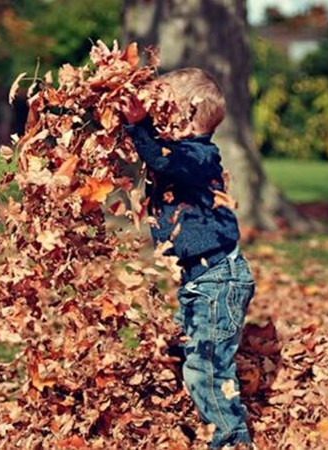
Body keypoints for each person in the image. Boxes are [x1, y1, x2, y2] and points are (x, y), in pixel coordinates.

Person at [121, 68, 256, 449]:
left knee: (207, 370)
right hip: (200, 281)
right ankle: (190, 417)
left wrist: (139, 127)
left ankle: (232, 441)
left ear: (182, 116)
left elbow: (163, 160)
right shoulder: (179, 153)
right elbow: (154, 154)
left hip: (218, 281)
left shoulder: (198, 156)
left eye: (162, 111)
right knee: (181, 348)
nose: (155, 119)